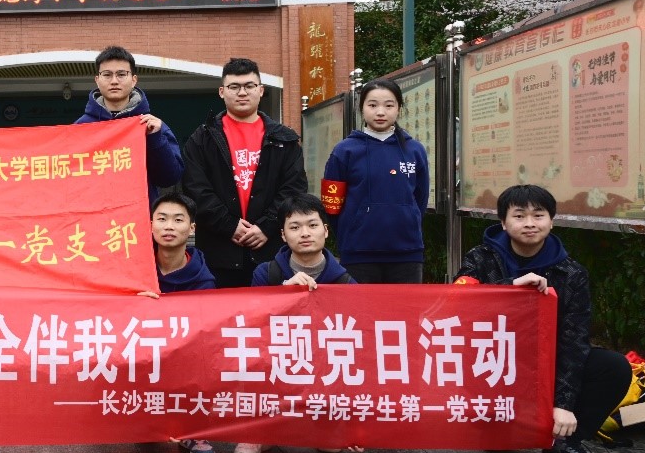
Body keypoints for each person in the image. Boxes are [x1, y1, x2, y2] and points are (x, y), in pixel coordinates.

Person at [456, 184, 633, 453]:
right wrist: (511, 288)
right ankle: (501, 425)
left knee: (612, 367)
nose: (529, 223)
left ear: (551, 221)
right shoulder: (481, 258)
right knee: (499, 441)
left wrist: (563, 405)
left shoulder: (571, 273)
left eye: (538, 215)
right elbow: (458, 303)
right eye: (519, 216)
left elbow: (574, 342)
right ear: (503, 223)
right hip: (493, 363)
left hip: (546, 362)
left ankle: (564, 443)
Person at [236, 193, 357, 453]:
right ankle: (258, 427)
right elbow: (251, 324)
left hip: (323, 367)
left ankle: (327, 423)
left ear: (326, 230)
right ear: (283, 235)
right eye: (295, 227)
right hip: (276, 362)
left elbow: (359, 339)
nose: (305, 233)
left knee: (331, 446)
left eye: (312, 225)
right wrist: (283, 294)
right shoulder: (266, 273)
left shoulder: (346, 281)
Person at [182, 57, 308, 288]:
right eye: (234, 87)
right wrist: (229, 225)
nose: (242, 92)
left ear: (261, 90)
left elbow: (294, 189)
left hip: (271, 253)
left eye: (249, 86)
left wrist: (266, 226)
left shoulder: (285, 140)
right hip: (218, 253)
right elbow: (195, 188)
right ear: (222, 92)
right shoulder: (202, 139)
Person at [321, 78, 429, 283]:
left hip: (407, 253)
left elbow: (420, 199)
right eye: (372, 105)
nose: (380, 112)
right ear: (361, 108)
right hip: (358, 253)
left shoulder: (414, 150)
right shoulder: (344, 151)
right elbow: (331, 206)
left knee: (406, 305)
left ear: (399, 109)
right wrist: (351, 231)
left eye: (389, 105)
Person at [146, 191, 218, 453]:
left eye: (178, 220)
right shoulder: (136, 270)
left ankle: (193, 427)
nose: (169, 226)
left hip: (184, 354)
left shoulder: (204, 280)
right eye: (162, 219)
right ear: (150, 225)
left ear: (192, 228)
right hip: (145, 349)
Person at [75, 46, 183, 203]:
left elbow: (170, 178)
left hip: (138, 212)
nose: (114, 81)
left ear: (134, 80)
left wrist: (155, 140)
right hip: (94, 212)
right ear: (97, 80)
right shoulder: (80, 127)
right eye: (107, 75)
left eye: (121, 74)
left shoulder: (152, 126)